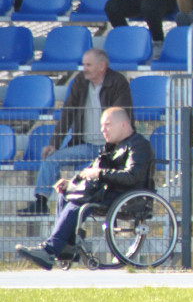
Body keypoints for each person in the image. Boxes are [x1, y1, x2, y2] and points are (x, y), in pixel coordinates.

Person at [15, 107, 153, 271]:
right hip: (106, 192)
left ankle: (49, 250)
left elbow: (132, 176)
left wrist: (100, 174)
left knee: (78, 202)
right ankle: (67, 247)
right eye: (102, 126)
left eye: (107, 125)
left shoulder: (139, 145)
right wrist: (71, 183)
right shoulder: (111, 147)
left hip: (125, 197)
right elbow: (90, 171)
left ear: (123, 124)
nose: (103, 130)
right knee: (66, 195)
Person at [17, 49, 133, 216]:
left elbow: (121, 115)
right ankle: (41, 202)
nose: (84, 68)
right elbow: (67, 113)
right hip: (86, 146)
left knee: (84, 183)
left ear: (102, 66)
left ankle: (72, 222)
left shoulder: (117, 82)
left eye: (88, 65)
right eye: (84, 64)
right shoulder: (80, 81)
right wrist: (54, 144)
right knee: (51, 159)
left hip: (110, 150)